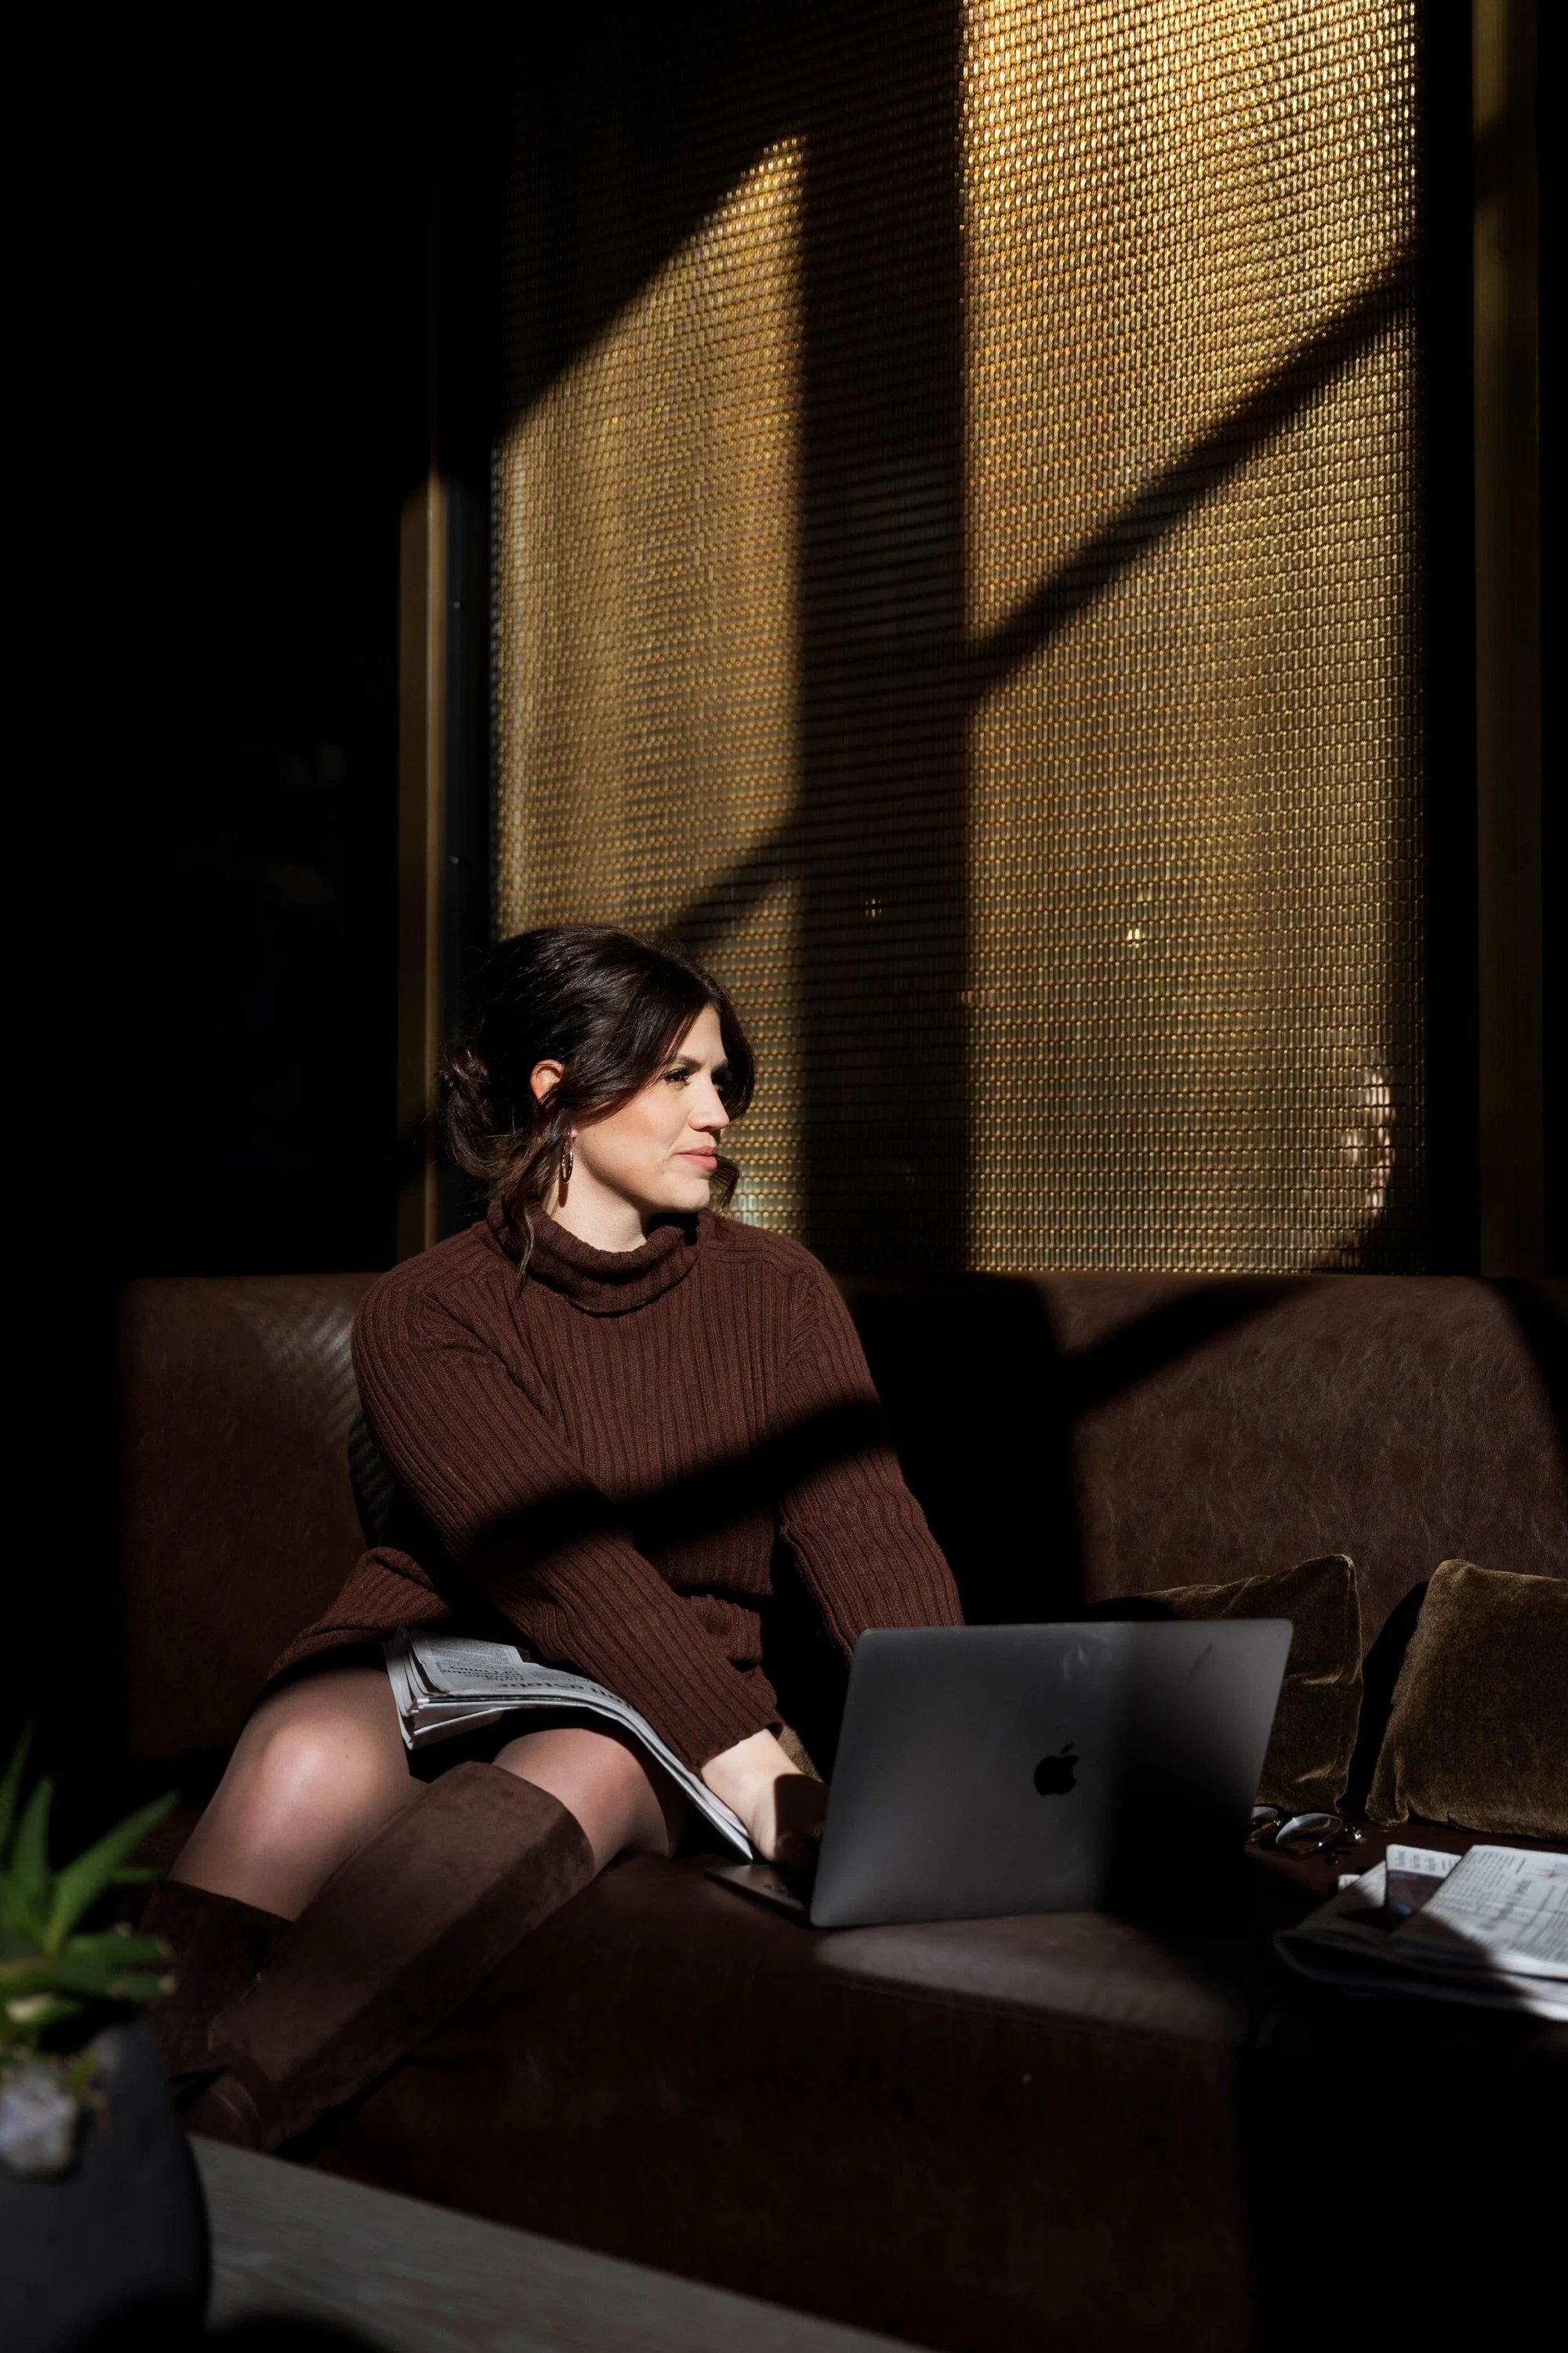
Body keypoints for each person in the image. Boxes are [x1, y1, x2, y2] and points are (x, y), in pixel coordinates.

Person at [146, 925, 963, 2149]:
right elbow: (558, 1565)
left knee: (576, 1771)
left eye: (723, 1078)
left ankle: (226, 2144)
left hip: (669, 1687)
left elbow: (868, 1532)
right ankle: (95, 2124)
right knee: (303, 1752)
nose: (718, 1111)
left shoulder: (779, 1294)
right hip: (455, 1643)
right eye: (678, 1076)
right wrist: (763, 1774)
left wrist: (950, 1754)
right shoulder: (428, 1311)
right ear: (559, 1092)